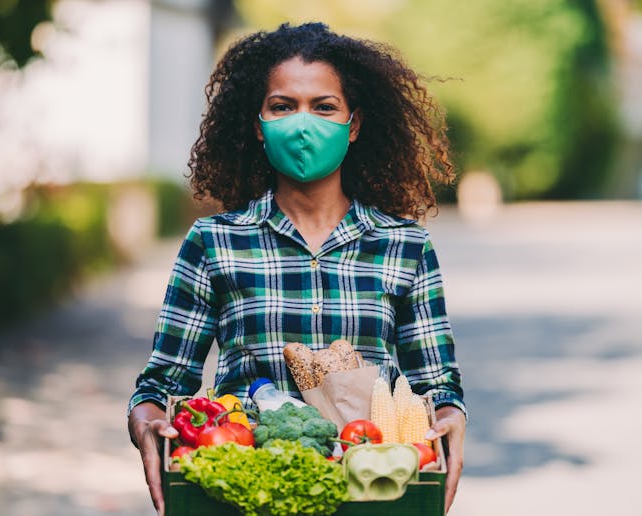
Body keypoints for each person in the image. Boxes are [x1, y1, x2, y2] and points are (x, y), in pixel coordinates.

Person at [127, 22, 466, 515]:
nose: (302, 123)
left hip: (370, 494)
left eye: (323, 106)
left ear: (353, 126)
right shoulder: (214, 243)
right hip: (243, 494)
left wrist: (452, 415)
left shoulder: (405, 246)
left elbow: (437, 384)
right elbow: (163, 384)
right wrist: (147, 422)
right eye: (283, 106)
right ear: (258, 124)